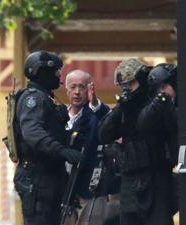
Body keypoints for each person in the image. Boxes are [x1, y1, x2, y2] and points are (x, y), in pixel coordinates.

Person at [98, 58, 178, 225]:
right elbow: (104, 134)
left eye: (131, 83)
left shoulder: (156, 101)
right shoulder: (125, 108)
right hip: (130, 179)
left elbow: (146, 124)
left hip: (156, 176)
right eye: (123, 86)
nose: (127, 89)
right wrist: (121, 107)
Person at [13, 50, 83, 225]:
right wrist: (62, 151)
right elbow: (32, 132)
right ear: (41, 72)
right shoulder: (34, 99)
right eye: (55, 71)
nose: (58, 75)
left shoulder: (46, 97)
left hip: (49, 175)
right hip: (37, 178)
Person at [63, 70, 110, 225]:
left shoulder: (96, 113)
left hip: (90, 188)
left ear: (90, 88)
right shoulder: (59, 115)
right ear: (66, 89)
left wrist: (94, 102)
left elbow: (107, 118)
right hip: (64, 189)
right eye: (73, 87)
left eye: (81, 87)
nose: (77, 92)